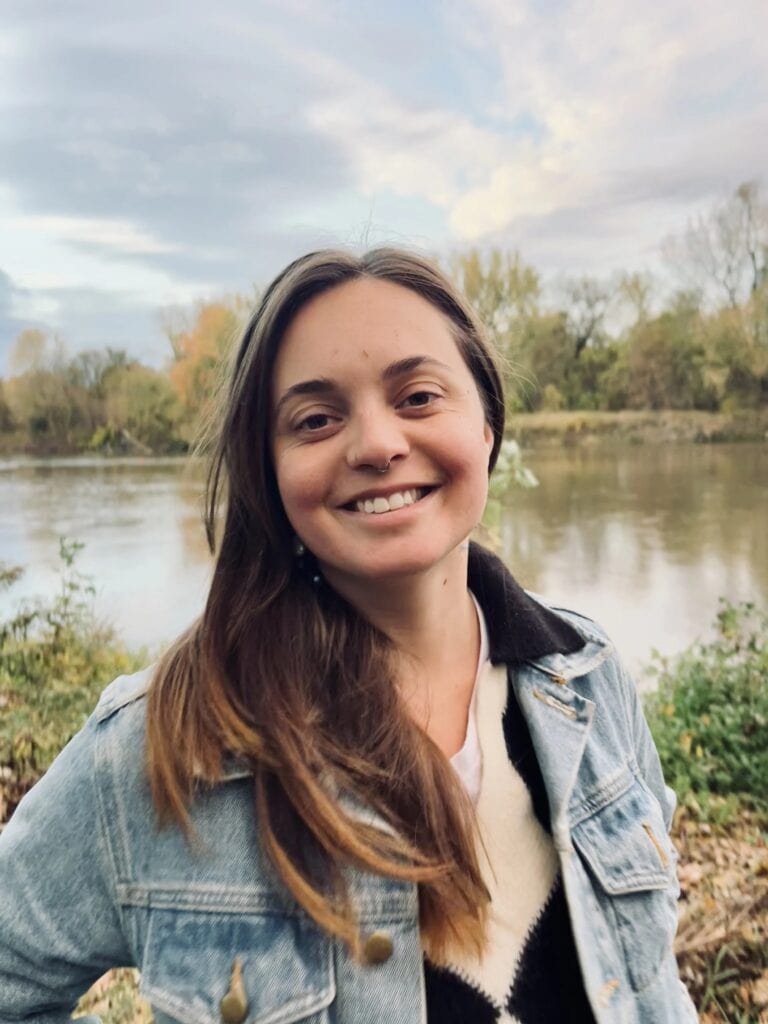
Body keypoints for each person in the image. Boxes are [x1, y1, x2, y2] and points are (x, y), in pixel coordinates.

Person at [0, 248, 697, 1024]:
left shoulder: (589, 678)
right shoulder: (158, 745)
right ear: (267, 470)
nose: (375, 444)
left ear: (488, 424)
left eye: (419, 396)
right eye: (316, 420)